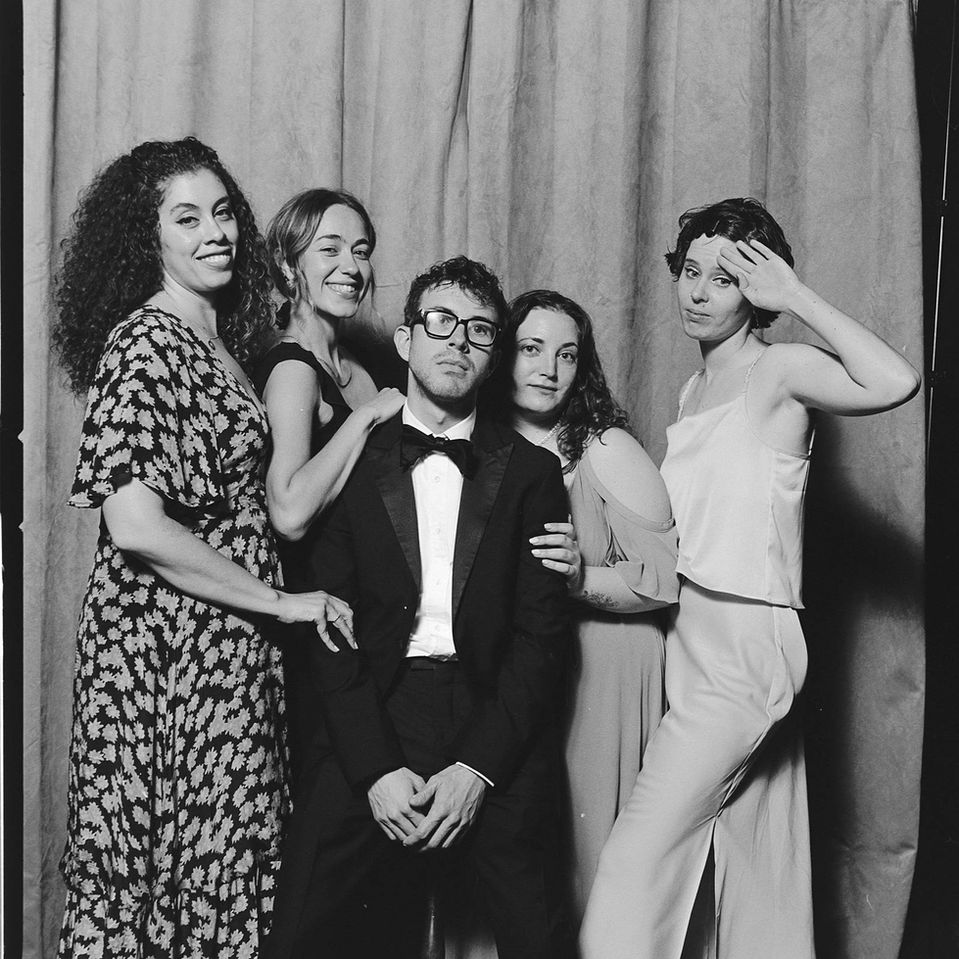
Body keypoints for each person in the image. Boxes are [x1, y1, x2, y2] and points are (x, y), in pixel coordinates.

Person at [579, 197, 921, 959]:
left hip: (744, 644)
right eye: (690, 271)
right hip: (686, 642)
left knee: (635, 860)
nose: (698, 292)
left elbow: (895, 380)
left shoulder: (777, 370)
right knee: (755, 871)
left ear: (755, 288)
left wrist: (794, 297)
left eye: (725, 277)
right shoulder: (691, 390)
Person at [51, 137, 352, 958]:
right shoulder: (146, 341)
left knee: (223, 873)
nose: (215, 231)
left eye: (222, 212)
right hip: (169, 661)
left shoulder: (214, 340)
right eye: (186, 219)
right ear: (145, 237)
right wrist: (281, 601)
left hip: (222, 651)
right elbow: (135, 524)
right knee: (178, 874)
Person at [265, 256, 576, 959]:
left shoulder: (532, 473)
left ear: (493, 356)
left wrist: (477, 769)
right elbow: (327, 624)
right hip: (375, 707)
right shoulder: (347, 460)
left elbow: (541, 639)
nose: (458, 340)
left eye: (479, 330)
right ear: (405, 340)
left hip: (490, 714)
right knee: (298, 937)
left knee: (538, 936)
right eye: (440, 322)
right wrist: (374, 770)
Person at [491, 289, 679, 921]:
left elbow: (664, 580)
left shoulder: (604, 448)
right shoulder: (483, 445)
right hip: (521, 673)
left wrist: (578, 580)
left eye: (566, 355)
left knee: (589, 853)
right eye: (531, 348)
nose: (548, 368)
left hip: (603, 671)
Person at [253, 189, 403, 778]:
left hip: (368, 619)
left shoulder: (359, 371)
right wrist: (365, 419)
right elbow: (288, 512)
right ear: (289, 265)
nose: (352, 266)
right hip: (318, 626)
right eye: (330, 249)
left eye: (361, 250)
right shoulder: (294, 369)